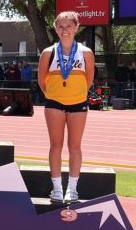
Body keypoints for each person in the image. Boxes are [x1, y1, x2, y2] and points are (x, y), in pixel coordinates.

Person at [37, 11, 94, 204]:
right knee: (56, 145)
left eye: (69, 26)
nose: (65, 30)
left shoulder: (86, 53)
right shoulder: (48, 53)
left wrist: (77, 94)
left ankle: (72, 189)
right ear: (55, 28)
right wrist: (52, 95)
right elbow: (41, 80)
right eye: (60, 26)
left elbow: (89, 80)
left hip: (78, 104)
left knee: (75, 146)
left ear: (77, 27)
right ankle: (56, 189)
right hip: (54, 103)